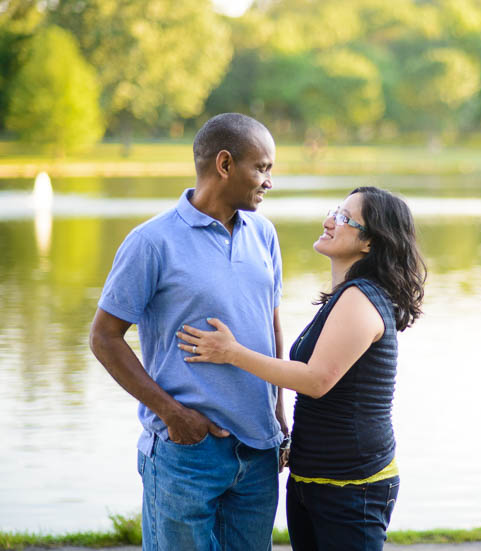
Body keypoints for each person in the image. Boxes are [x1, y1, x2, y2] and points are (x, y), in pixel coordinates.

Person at [177, 186, 426, 550]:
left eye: (344, 218)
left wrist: (232, 353)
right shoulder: (345, 296)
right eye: (335, 211)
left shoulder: (361, 299)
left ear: (370, 243)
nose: (329, 221)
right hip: (314, 479)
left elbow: (317, 380)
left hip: (352, 487)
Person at [89, 113, 289, 551]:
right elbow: (103, 337)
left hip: (258, 453)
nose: (269, 181)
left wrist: (278, 413)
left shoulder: (264, 234)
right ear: (224, 164)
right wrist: (173, 415)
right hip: (186, 455)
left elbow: (269, 321)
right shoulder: (151, 242)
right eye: (262, 167)